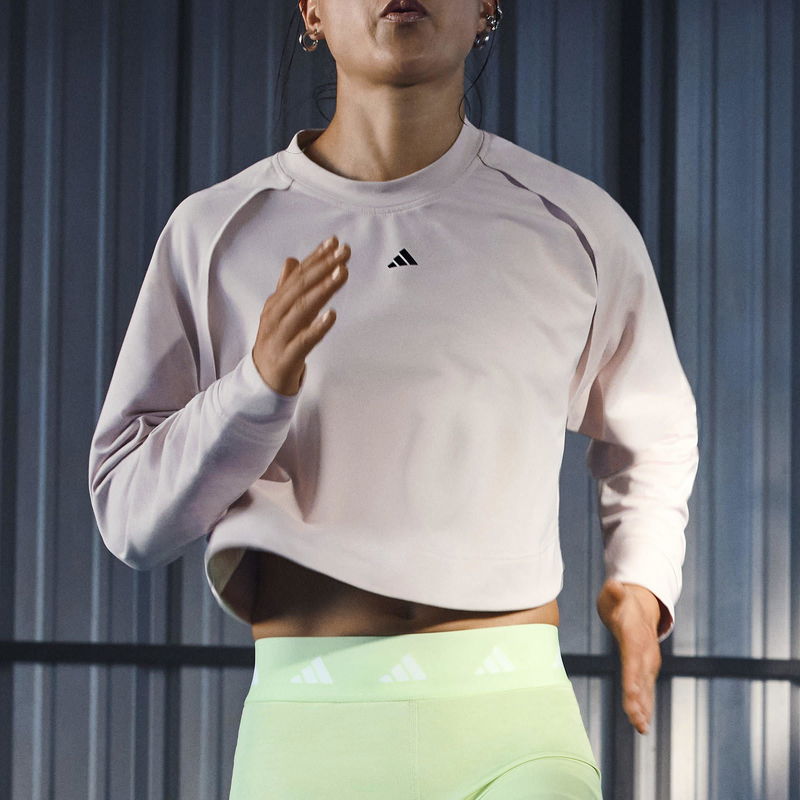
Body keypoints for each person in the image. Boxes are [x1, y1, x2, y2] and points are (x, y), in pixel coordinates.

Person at [88, 1, 700, 797]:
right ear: (311, 10)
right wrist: (254, 391)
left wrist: (643, 580)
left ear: (486, 7)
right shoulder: (214, 233)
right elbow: (129, 518)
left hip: (517, 726)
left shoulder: (574, 224)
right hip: (308, 737)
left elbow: (655, 432)